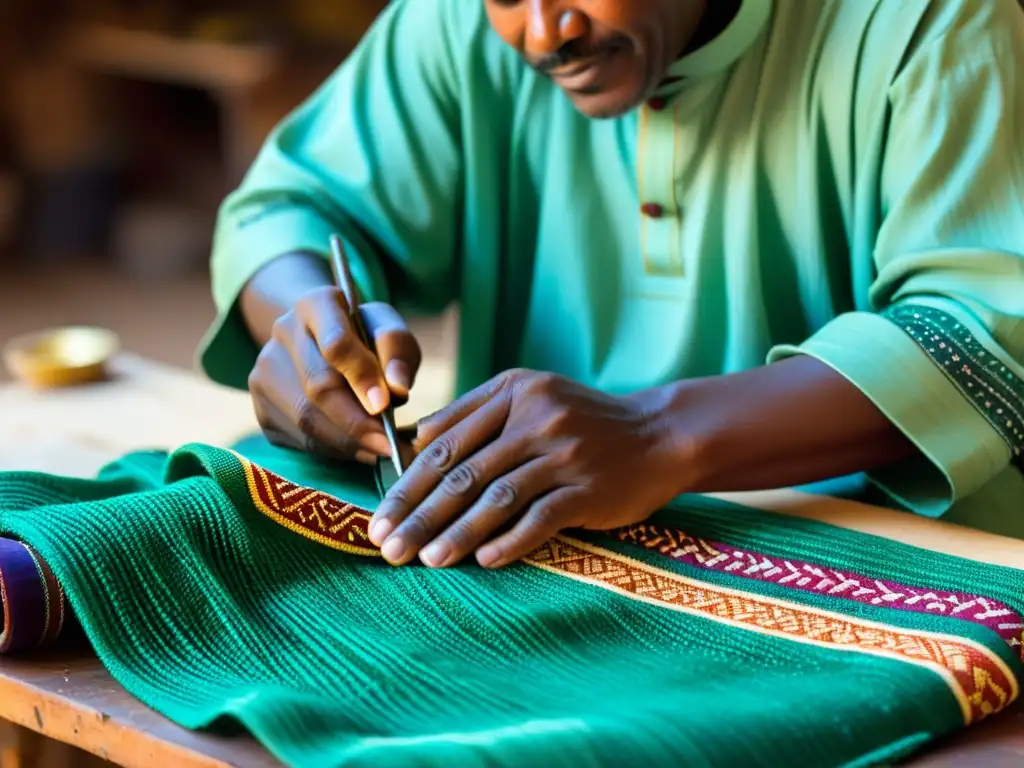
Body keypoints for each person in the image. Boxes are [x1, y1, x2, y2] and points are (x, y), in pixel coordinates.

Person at [198, 0, 1024, 570]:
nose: (541, 33)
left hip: (900, 583)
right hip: (545, 558)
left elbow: (978, 337)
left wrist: (657, 437)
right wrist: (305, 319)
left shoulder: (929, 24)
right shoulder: (456, 27)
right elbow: (293, 207)